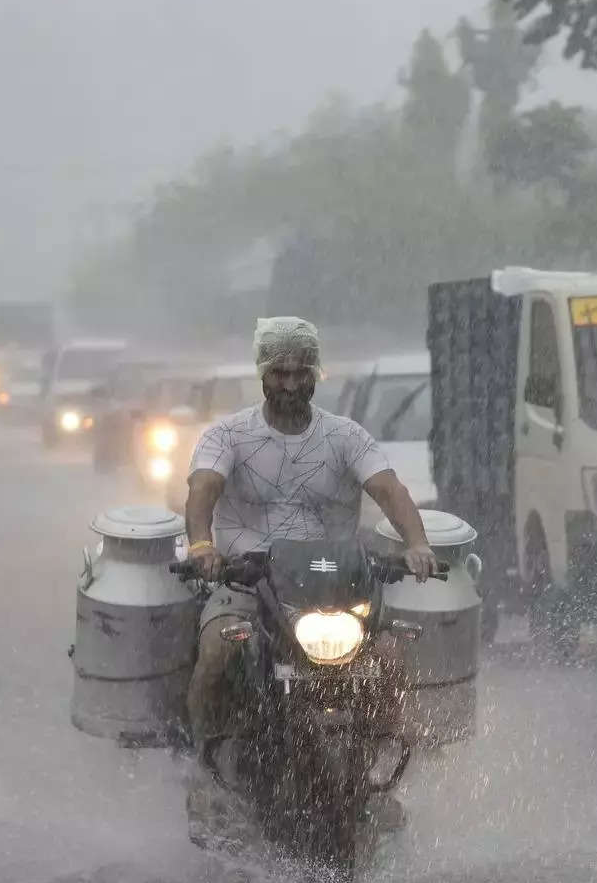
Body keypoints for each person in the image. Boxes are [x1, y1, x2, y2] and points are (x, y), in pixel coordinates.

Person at [183, 317, 436, 765]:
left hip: (335, 586)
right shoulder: (227, 436)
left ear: (316, 374)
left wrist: (417, 543)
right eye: (280, 372)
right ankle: (207, 768)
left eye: (302, 372)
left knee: (390, 658)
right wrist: (203, 547)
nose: (291, 384)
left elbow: (389, 490)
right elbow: (203, 489)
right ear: (262, 373)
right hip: (246, 583)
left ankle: (380, 773)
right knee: (218, 650)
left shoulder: (346, 436)